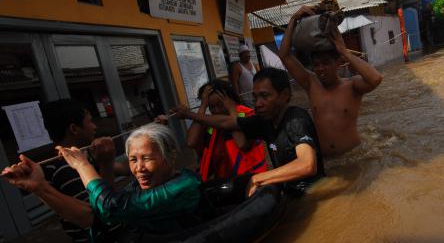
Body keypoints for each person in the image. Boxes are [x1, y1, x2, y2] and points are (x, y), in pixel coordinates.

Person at [1, 123, 201, 240]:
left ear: (171, 156)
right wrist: (40, 187)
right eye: (133, 159)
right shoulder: (139, 188)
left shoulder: (185, 186)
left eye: (146, 158)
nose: (138, 168)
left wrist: (82, 165)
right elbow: (94, 216)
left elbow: (110, 208)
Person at [172, 68, 325, 197]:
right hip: (290, 192)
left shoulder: (296, 120)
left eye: (265, 96)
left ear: (284, 95)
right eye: (255, 97)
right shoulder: (264, 121)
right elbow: (227, 123)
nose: (258, 104)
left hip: (313, 193)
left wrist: (258, 179)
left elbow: (307, 165)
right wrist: (189, 114)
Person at [278, 5, 384, 156]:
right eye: (316, 64)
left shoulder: (352, 86)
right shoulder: (310, 83)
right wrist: (294, 19)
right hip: (326, 160)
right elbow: (284, 56)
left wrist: (344, 51)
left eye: (326, 63)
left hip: (353, 158)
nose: (320, 68)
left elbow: (376, 78)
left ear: (339, 63)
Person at [38, 99, 123, 242]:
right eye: (90, 121)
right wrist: (106, 164)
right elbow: (103, 210)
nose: (95, 126)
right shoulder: (63, 168)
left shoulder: (88, 155)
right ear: (74, 129)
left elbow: (125, 168)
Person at [157, 79, 268, 182]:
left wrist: (232, 110)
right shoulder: (211, 121)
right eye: (212, 107)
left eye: (220, 105)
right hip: (221, 180)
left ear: (230, 101)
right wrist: (203, 106)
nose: (216, 110)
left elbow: (242, 144)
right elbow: (191, 142)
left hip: (250, 179)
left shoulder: (248, 115)